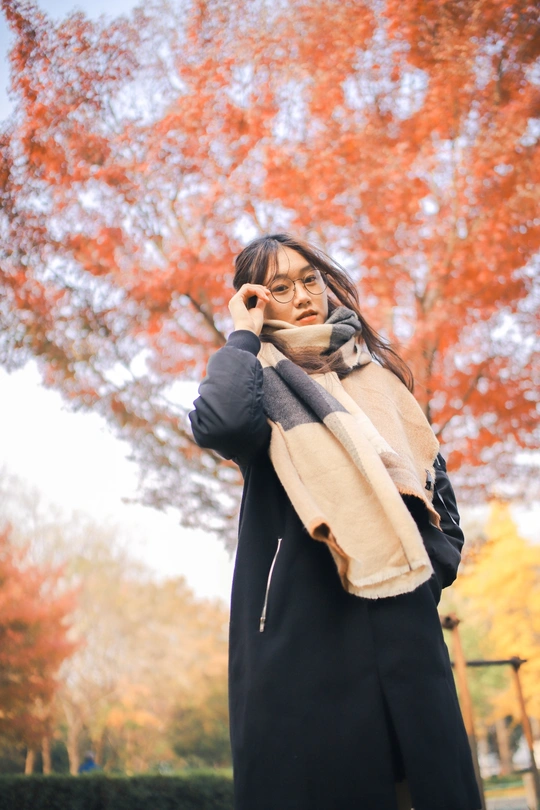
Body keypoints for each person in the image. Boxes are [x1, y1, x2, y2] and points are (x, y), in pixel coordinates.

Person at [189, 233, 481, 810]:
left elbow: (435, 488)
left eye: (310, 280)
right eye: (279, 287)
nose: (302, 295)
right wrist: (242, 337)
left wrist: (428, 574)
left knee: (427, 785)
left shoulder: (378, 380)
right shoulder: (256, 380)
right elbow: (220, 423)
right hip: (305, 626)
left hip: (403, 619)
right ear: (254, 300)